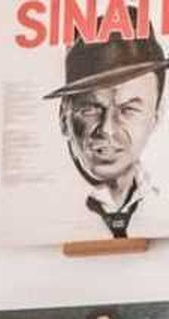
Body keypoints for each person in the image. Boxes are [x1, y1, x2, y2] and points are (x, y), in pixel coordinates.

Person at [46, 12, 169, 240]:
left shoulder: (161, 202)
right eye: (91, 109)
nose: (108, 129)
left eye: (128, 110)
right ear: (64, 117)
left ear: (157, 115)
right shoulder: (41, 216)